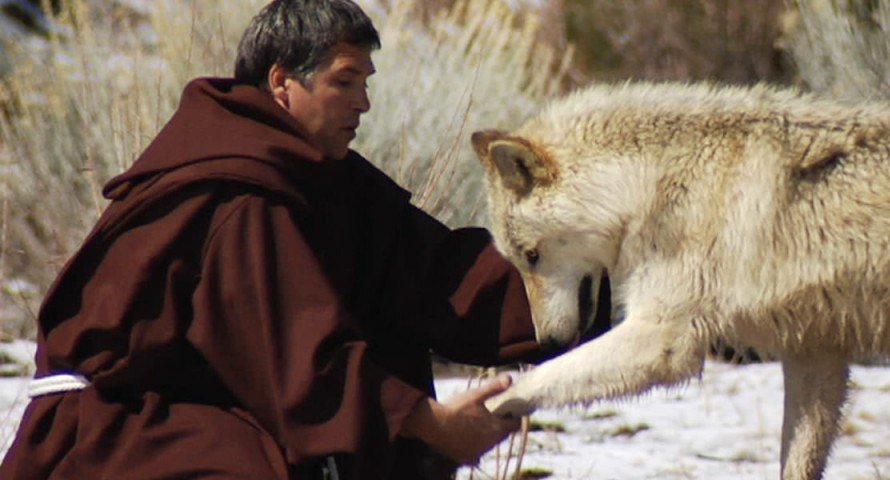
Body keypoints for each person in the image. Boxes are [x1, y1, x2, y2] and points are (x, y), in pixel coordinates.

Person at [0, 1, 607, 478]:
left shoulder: (325, 176)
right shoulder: (238, 191)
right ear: (282, 82)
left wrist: (601, 282)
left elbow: (440, 277)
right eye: (345, 82)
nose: (363, 103)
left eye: (366, 82)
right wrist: (430, 423)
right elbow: (299, 360)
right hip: (112, 436)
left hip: (202, 409)